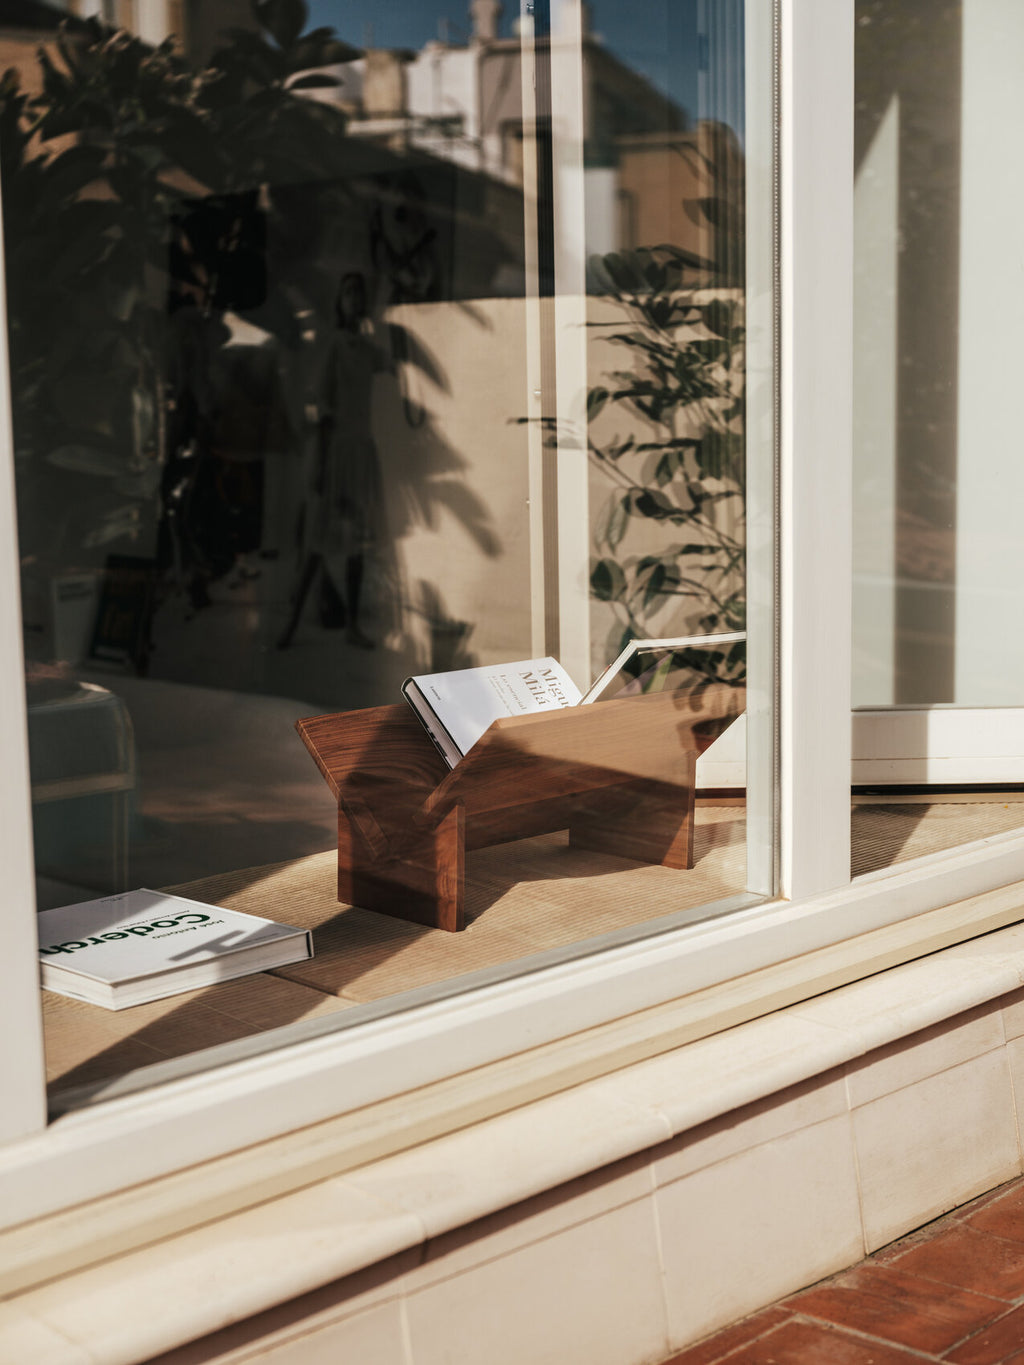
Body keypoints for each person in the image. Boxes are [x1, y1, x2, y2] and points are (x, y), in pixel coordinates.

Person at [277, 271, 388, 650]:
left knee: (358, 544)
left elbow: (389, 362)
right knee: (317, 542)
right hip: (335, 451)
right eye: (348, 293)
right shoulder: (334, 346)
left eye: (359, 292)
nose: (354, 298)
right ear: (339, 302)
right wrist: (322, 464)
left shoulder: (367, 348)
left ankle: (353, 626)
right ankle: (291, 624)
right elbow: (319, 408)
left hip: (361, 452)